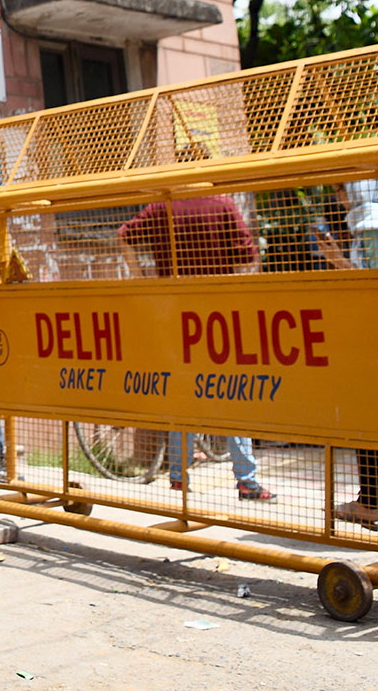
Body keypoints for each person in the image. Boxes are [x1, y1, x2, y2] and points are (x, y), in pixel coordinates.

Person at [117, 145, 276, 500]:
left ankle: (178, 473)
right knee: (231, 390)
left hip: (172, 312)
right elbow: (247, 257)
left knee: (181, 390)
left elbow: (123, 235)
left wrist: (142, 279)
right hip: (215, 314)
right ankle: (247, 480)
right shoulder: (221, 203)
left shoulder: (162, 205)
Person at [316, 179, 378, 529]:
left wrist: (336, 260)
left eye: (341, 190)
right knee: (370, 421)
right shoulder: (372, 221)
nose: (337, 197)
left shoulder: (375, 223)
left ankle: (369, 501)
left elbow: (376, 283)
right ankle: (367, 501)